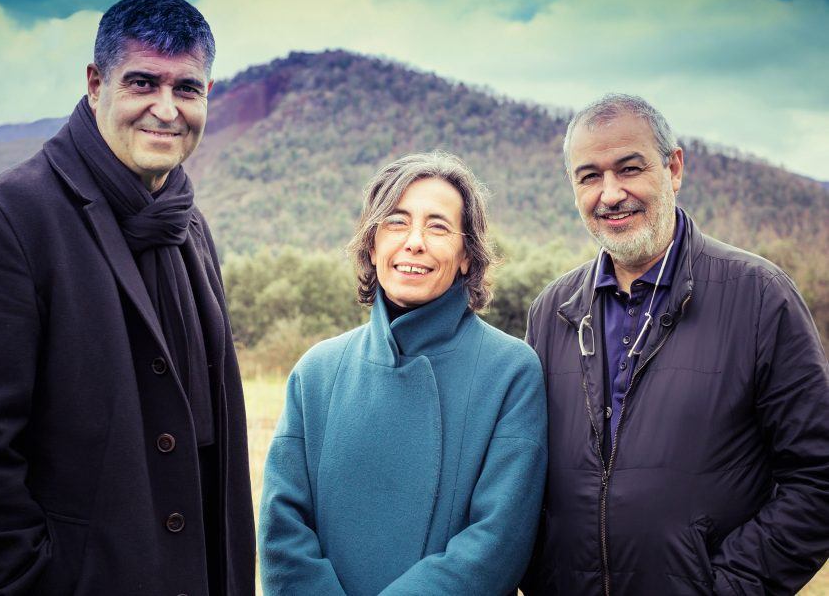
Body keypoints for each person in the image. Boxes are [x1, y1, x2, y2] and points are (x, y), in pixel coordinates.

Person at [0, 0, 255, 595]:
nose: (166, 109)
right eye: (141, 83)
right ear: (95, 83)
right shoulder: (1, 222)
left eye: (188, 88)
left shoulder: (191, 226)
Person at [522, 93, 829, 595]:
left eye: (629, 168)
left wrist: (726, 588)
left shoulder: (758, 296)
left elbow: (817, 478)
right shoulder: (552, 310)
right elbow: (528, 480)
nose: (611, 193)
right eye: (590, 176)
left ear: (674, 167)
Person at [258, 151, 547, 594]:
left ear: (468, 255)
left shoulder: (510, 371)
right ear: (373, 246)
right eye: (396, 222)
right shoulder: (316, 372)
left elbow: (497, 542)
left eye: (438, 226)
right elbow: (283, 533)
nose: (415, 241)